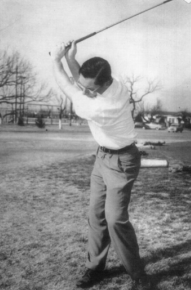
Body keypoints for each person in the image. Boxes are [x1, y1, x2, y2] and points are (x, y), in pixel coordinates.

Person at [51, 41, 150, 290]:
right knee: (96, 215)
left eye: (91, 90)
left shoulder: (105, 105)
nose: (86, 92)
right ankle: (95, 268)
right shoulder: (109, 83)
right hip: (102, 158)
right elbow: (82, 81)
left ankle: (137, 273)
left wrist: (56, 61)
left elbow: (69, 87)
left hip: (122, 161)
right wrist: (72, 58)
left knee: (115, 218)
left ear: (106, 85)